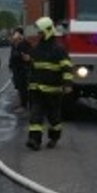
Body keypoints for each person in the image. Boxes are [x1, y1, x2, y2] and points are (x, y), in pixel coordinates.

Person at [26, 17, 73, 150]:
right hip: (36, 89)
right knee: (35, 115)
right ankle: (34, 140)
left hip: (53, 91)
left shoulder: (58, 50)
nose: (38, 34)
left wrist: (68, 84)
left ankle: (54, 137)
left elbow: (67, 68)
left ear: (47, 31)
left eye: (40, 32)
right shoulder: (36, 49)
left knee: (54, 118)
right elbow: (32, 67)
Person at [8, 27, 32, 110]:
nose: (14, 35)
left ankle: (24, 105)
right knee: (18, 86)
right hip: (16, 69)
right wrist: (10, 65)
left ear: (20, 35)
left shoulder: (25, 44)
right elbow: (12, 56)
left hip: (23, 69)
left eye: (16, 33)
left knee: (23, 87)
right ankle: (22, 104)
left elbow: (26, 56)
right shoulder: (14, 44)